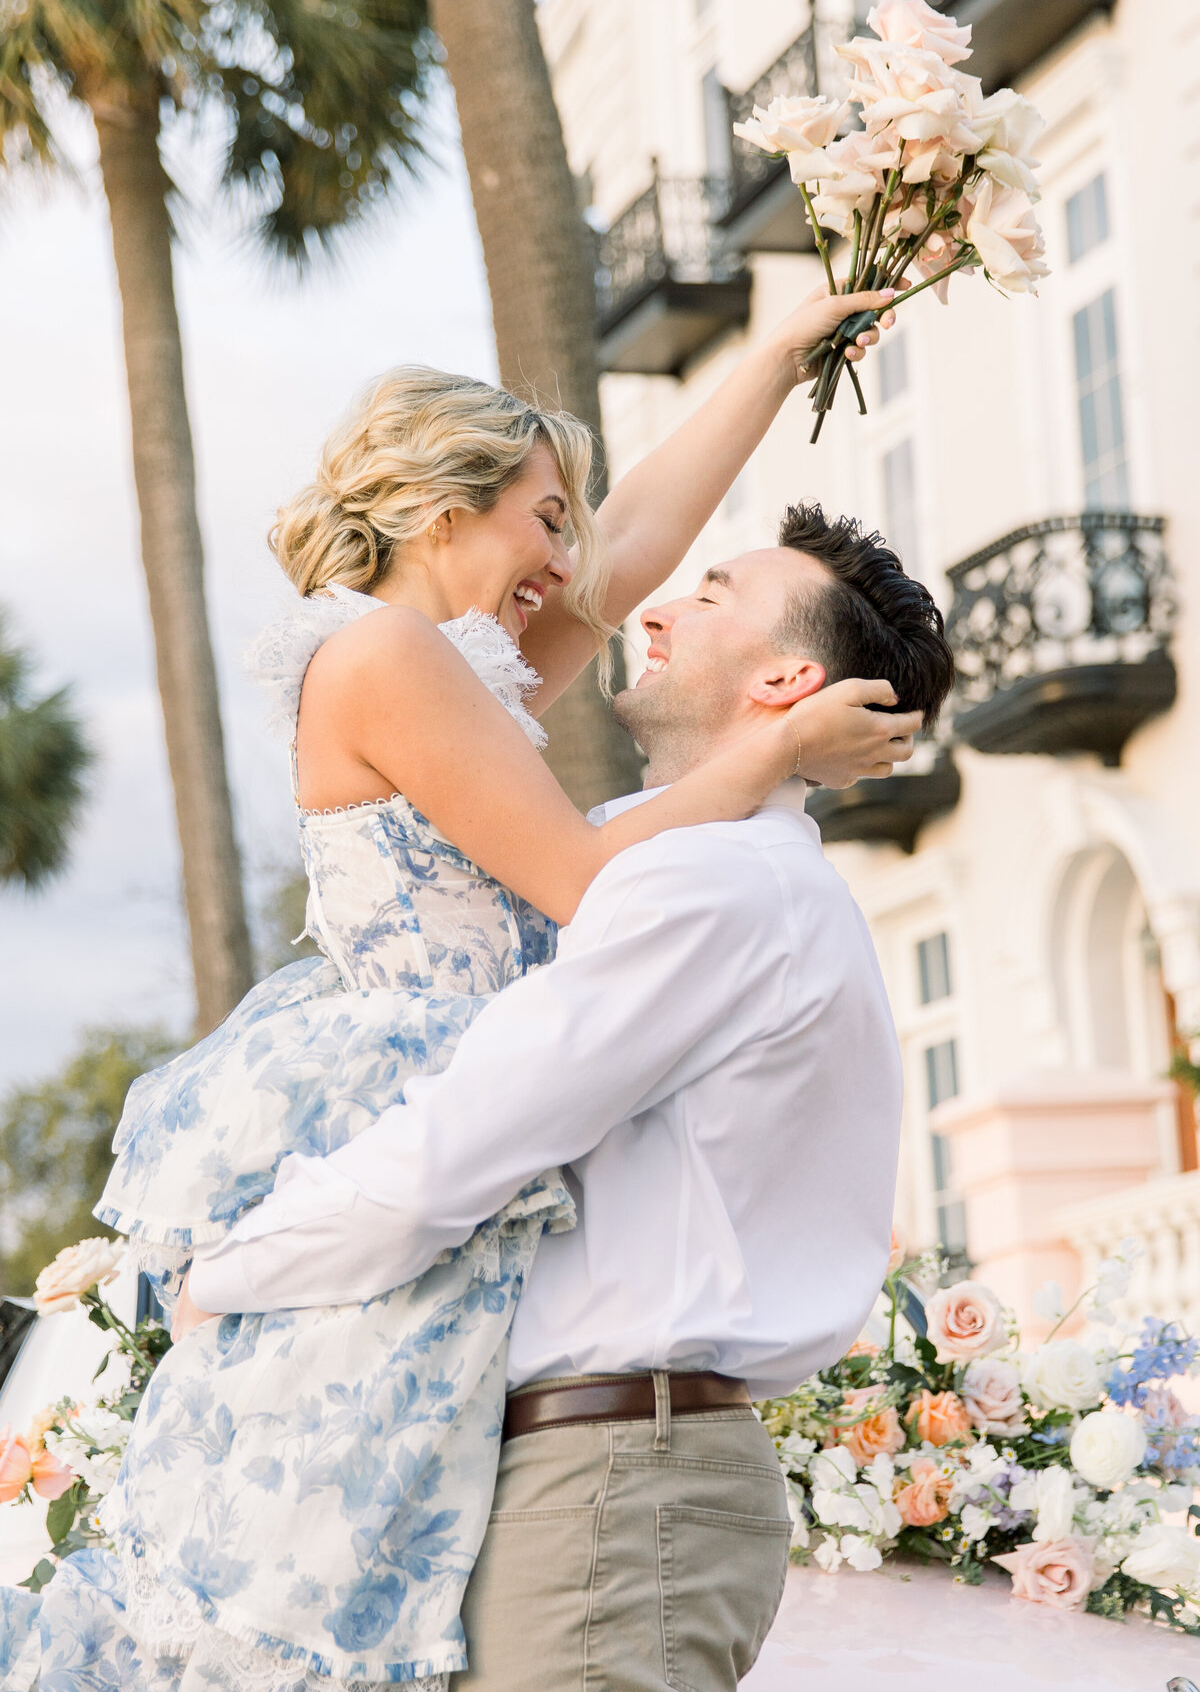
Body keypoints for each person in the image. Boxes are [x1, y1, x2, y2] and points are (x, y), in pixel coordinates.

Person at [0, 290, 913, 1692]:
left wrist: (780, 355)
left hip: (468, 1089)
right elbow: (577, 882)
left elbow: (644, 542)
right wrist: (766, 757)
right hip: (416, 1073)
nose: (571, 558)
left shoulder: (463, 664)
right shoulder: (384, 656)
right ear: (443, 510)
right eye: (546, 517)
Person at [181, 505, 957, 1692]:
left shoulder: (712, 887)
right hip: (597, 1475)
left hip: (613, 1485)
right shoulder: (680, 864)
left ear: (789, 677)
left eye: (711, 594)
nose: (654, 606)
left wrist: (225, 1268)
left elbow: (465, 1142)